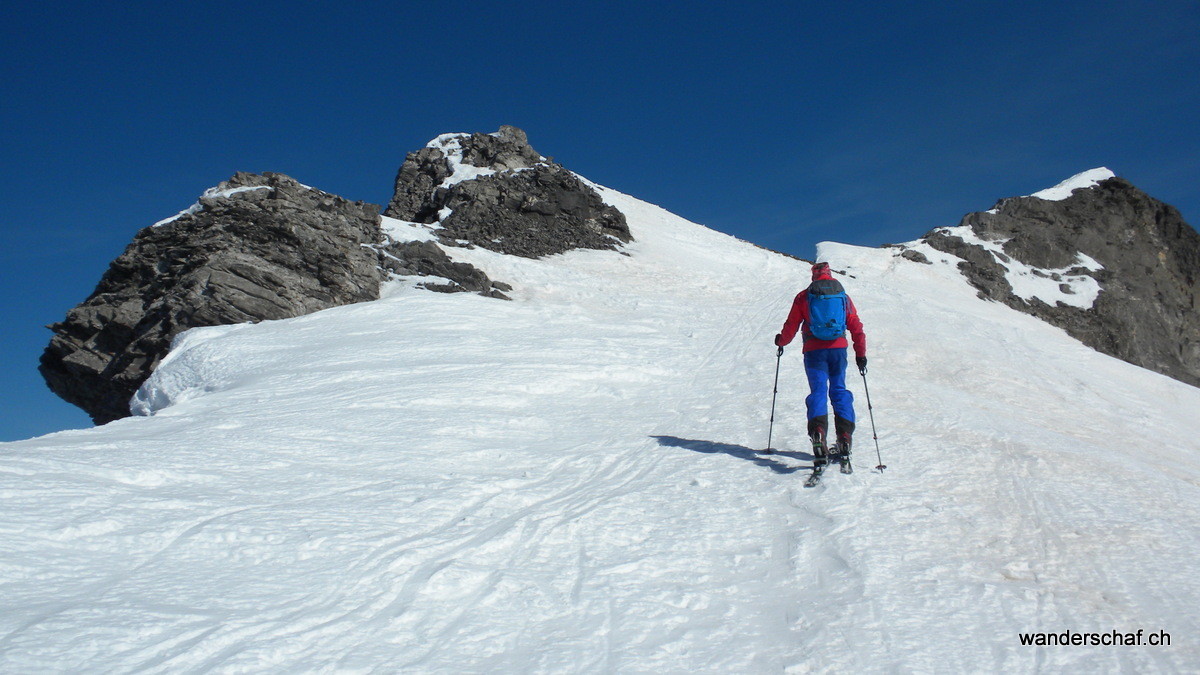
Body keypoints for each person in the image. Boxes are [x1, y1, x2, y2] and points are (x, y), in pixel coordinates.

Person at [774, 262, 867, 466]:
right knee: (839, 390)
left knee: (818, 392)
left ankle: (818, 431)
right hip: (838, 350)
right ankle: (844, 437)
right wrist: (861, 354)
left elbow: (791, 324)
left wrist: (781, 341)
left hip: (814, 352)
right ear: (829, 274)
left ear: (814, 276)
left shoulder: (804, 296)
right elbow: (856, 326)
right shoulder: (842, 296)